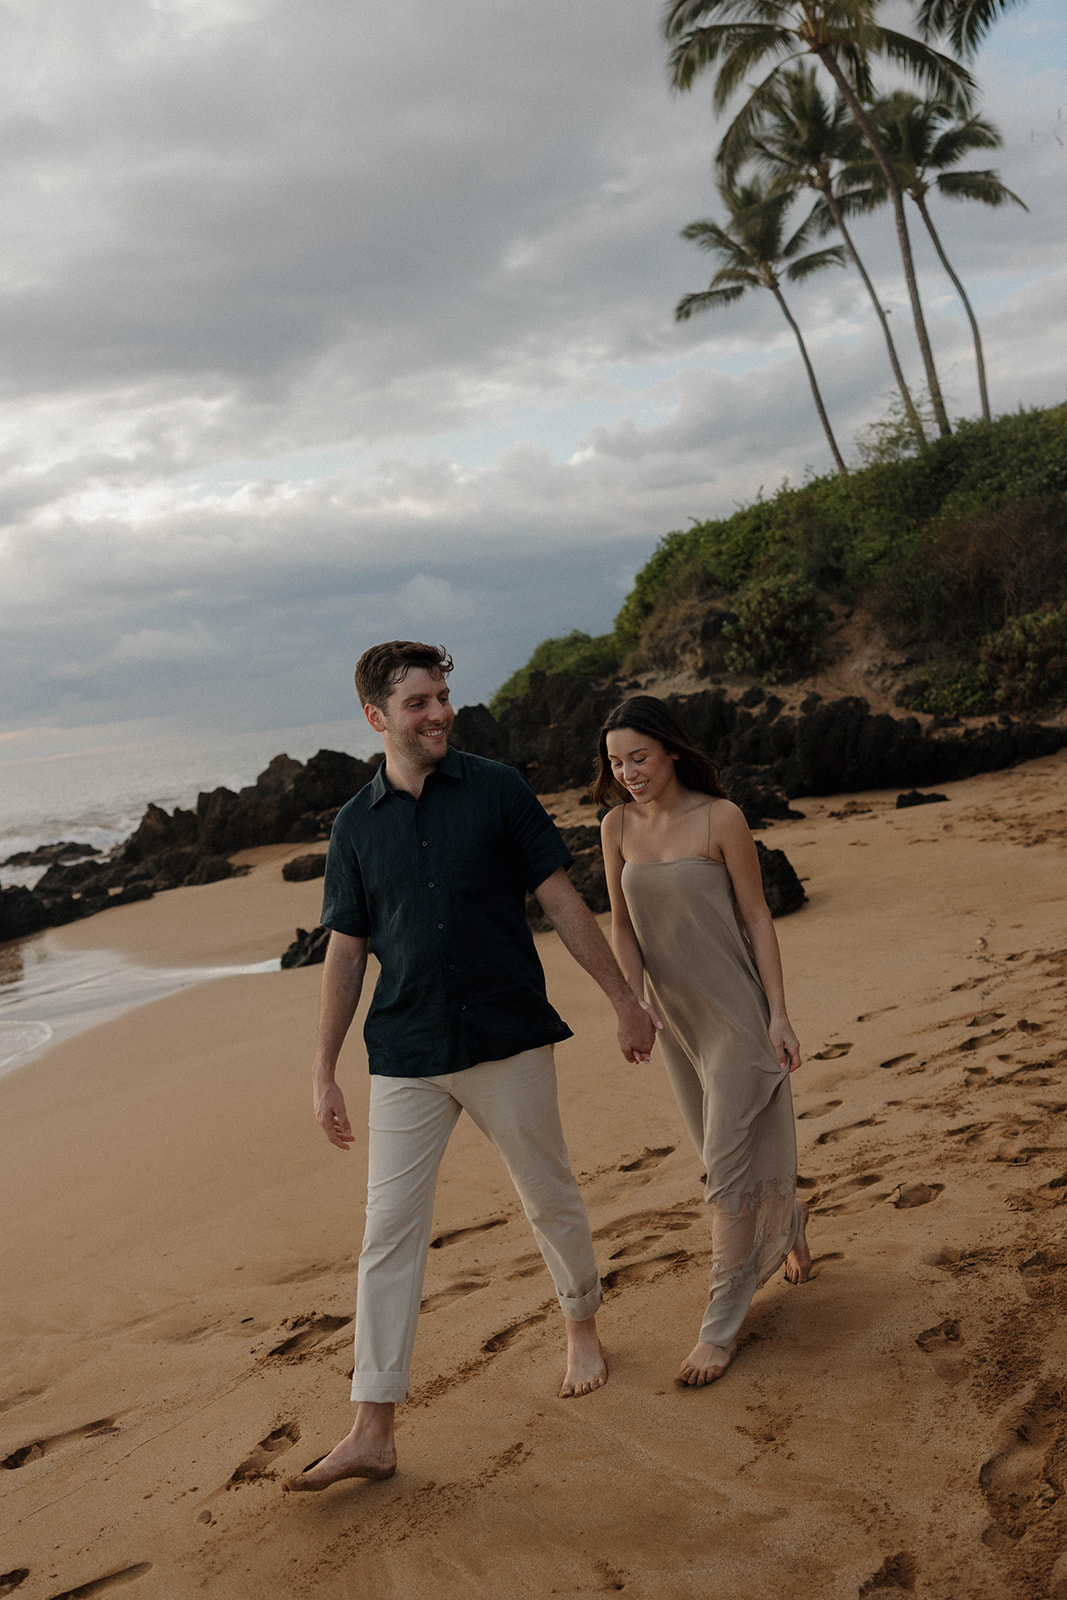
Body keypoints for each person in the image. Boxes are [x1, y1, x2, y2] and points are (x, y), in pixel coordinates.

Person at [284, 641, 656, 1493]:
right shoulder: (355, 826)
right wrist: (322, 1070)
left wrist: (621, 1001)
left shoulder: (495, 788)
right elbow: (346, 949)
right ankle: (372, 1427)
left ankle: (581, 1325)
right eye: (418, 702)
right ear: (377, 717)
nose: (439, 713)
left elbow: (561, 899)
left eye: (442, 696)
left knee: (547, 1193)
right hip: (406, 1054)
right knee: (388, 1236)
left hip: (506, 1037)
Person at [594, 694, 810, 1390]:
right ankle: (790, 1219)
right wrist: (629, 1004)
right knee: (721, 1151)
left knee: (721, 1167)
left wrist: (778, 1014)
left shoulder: (721, 818)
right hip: (676, 1022)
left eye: (639, 757)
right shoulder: (615, 826)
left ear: (672, 752)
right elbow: (621, 927)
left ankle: (719, 1329)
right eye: (615, 762)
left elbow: (756, 917)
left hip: (737, 1014)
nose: (628, 772)